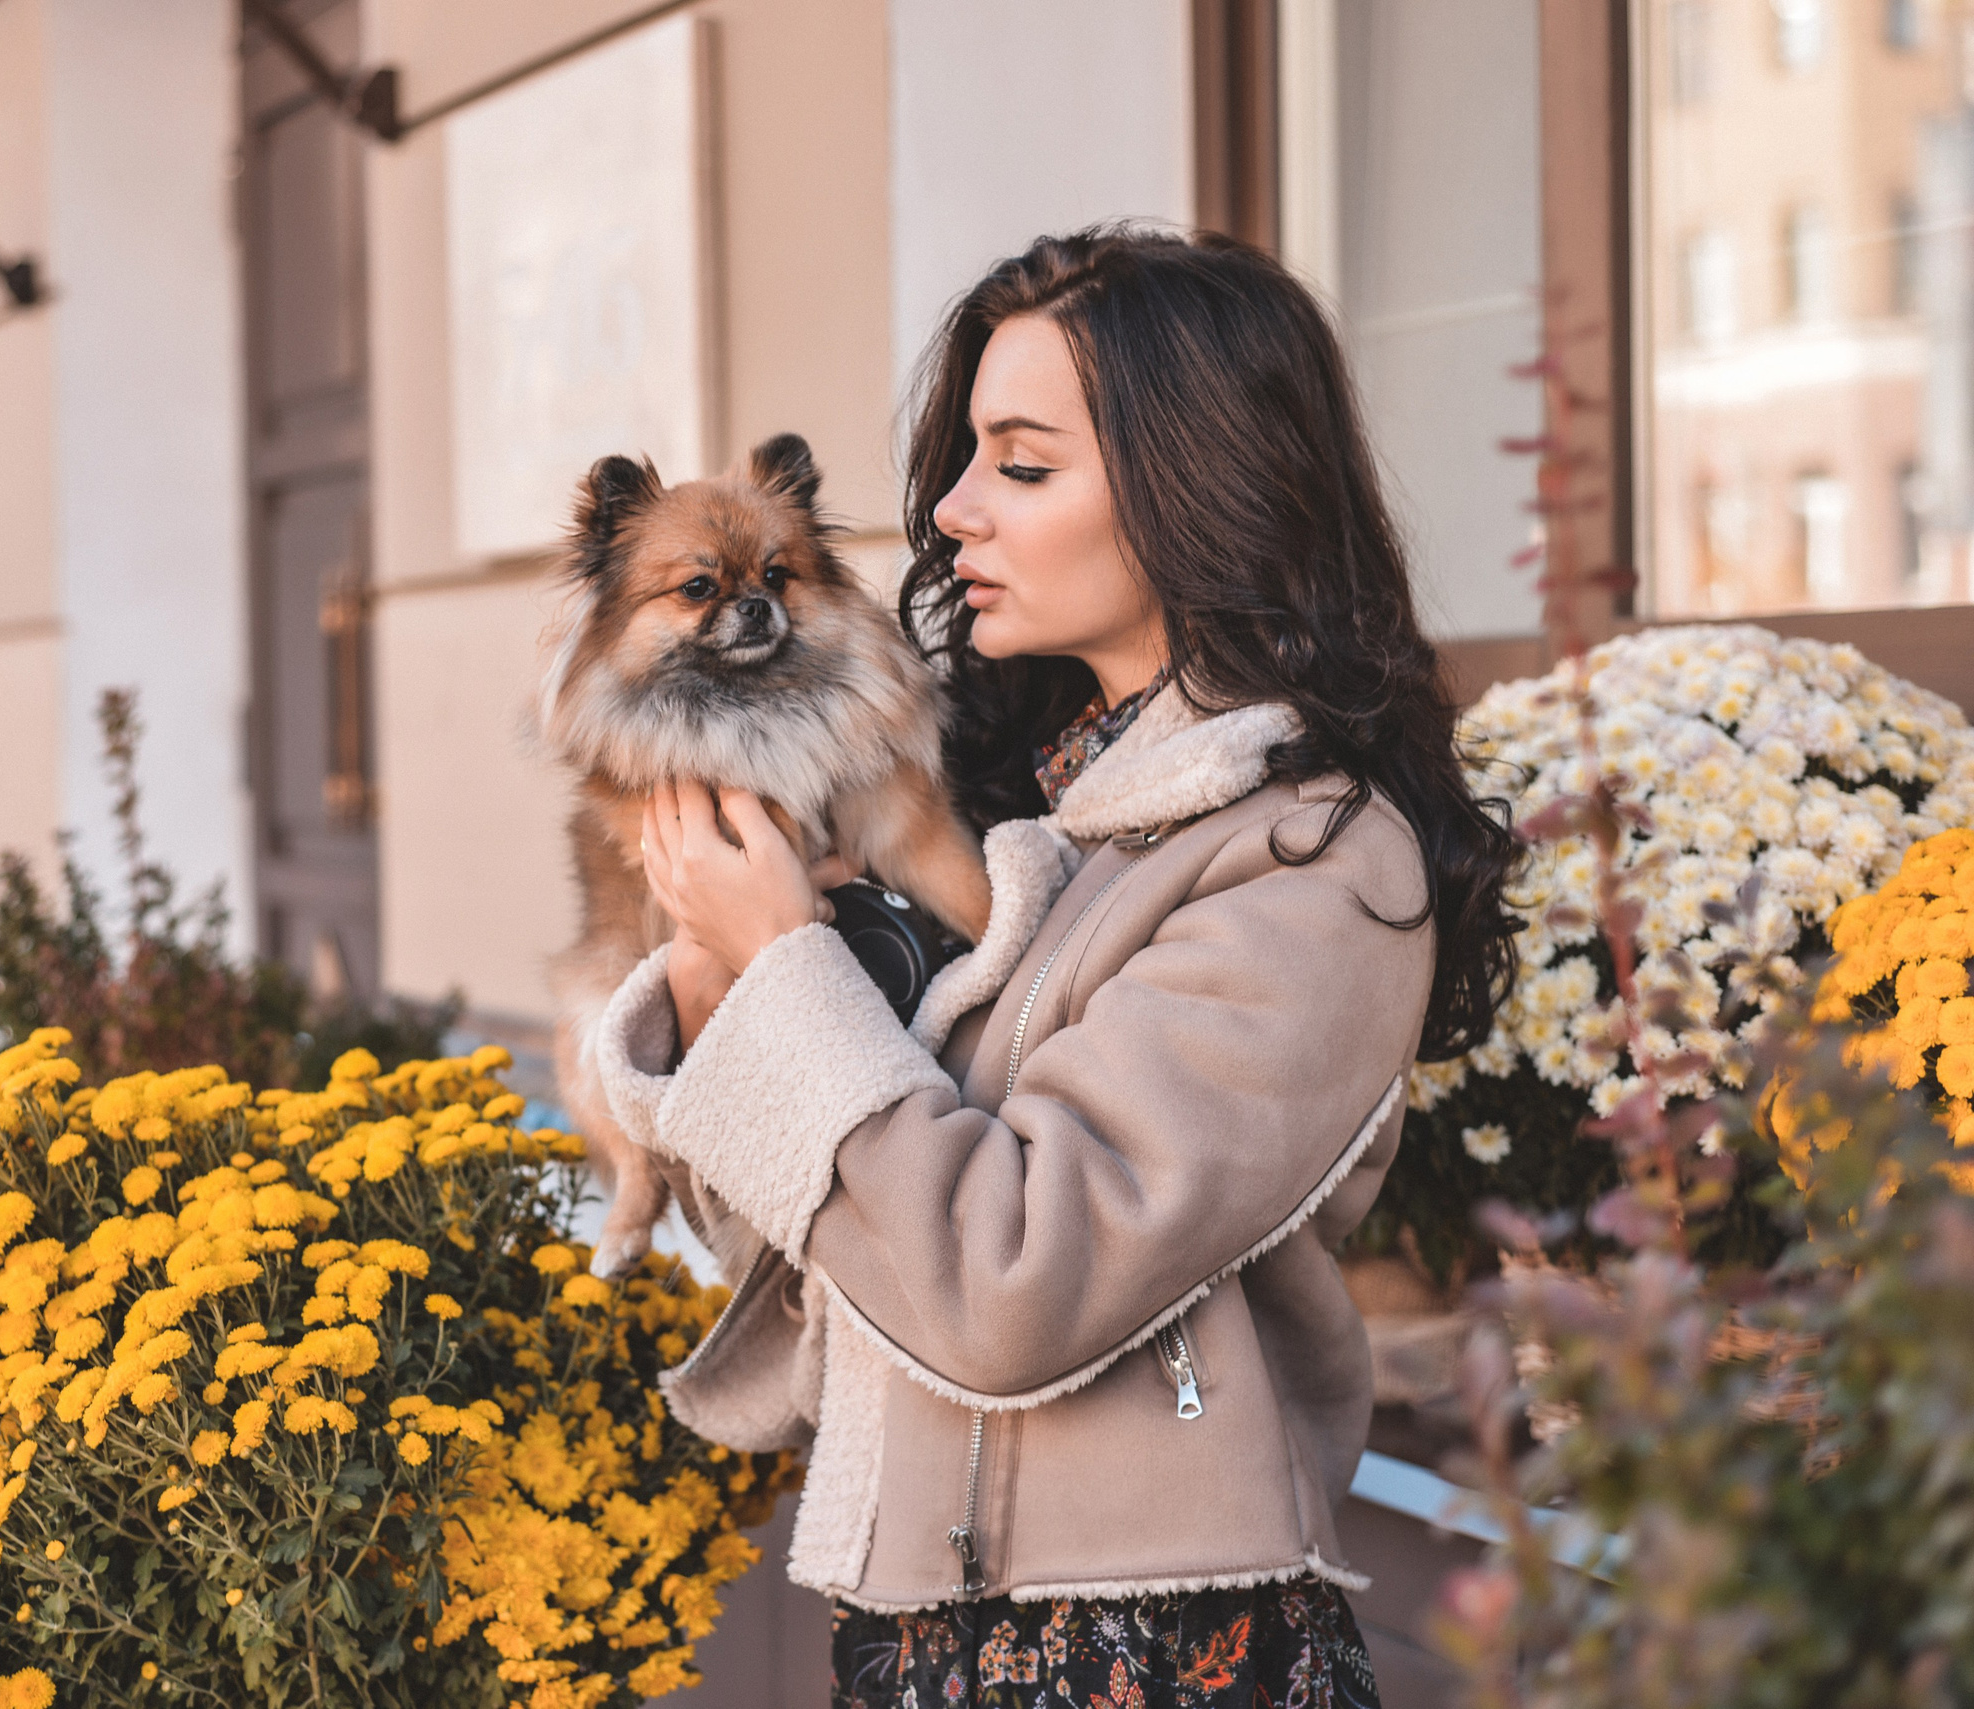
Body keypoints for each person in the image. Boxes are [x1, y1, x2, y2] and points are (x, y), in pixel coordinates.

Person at [592, 225, 1521, 1707]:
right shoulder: (1010, 812)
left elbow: (1011, 1286)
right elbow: (823, 1241)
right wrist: (715, 964)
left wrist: (780, 961)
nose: (952, 508)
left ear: (1199, 489)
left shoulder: (1316, 864)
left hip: (1151, 1653)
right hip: (919, 1623)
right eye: (965, 456)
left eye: (1022, 465)